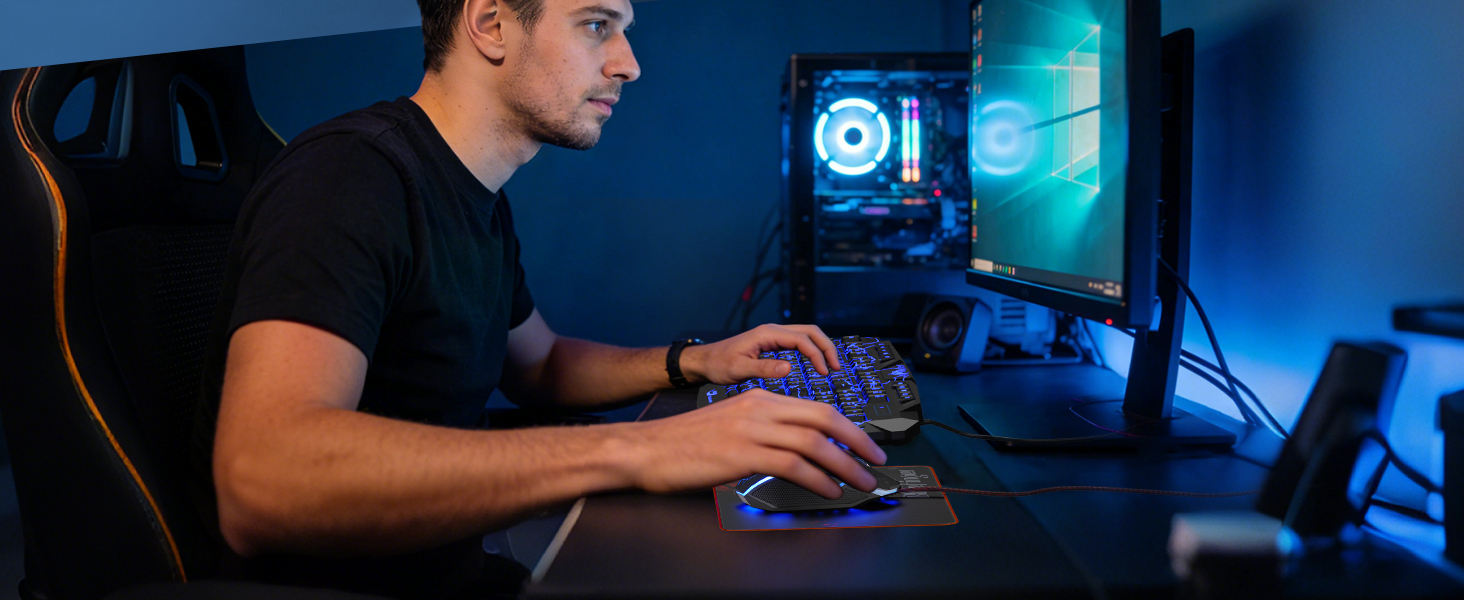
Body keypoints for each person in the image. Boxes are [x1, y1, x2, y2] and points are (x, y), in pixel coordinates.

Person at [190, 0, 887, 597]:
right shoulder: (349, 178)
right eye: (595, 25)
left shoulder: (475, 198)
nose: (628, 63)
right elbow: (265, 478)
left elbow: (541, 365)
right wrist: (641, 448)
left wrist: (695, 362)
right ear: (491, 24)